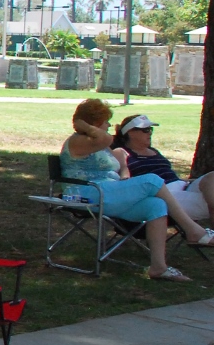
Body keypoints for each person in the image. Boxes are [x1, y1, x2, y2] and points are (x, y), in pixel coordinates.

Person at [61, 99, 214, 282]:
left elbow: (115, 161)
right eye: (106, 121)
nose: (109, 125)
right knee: (152, 181)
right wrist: (83, 125)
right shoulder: (78, 141)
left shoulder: (97, 143)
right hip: (84, 193)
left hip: (107, 191)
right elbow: (107, 139)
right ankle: (194, 231)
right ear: (95, 122)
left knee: (155, 204)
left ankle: (158, 267)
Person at [111, 113, 214, 223]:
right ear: (130, 133)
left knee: (211, 176)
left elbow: (168, 174)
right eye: (145, 130)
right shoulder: (121, 152)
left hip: (183, 186)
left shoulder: (154, 151)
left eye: (150, 129)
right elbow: (124, 176)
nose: (150, 132)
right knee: (206, 201)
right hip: (163, 194)